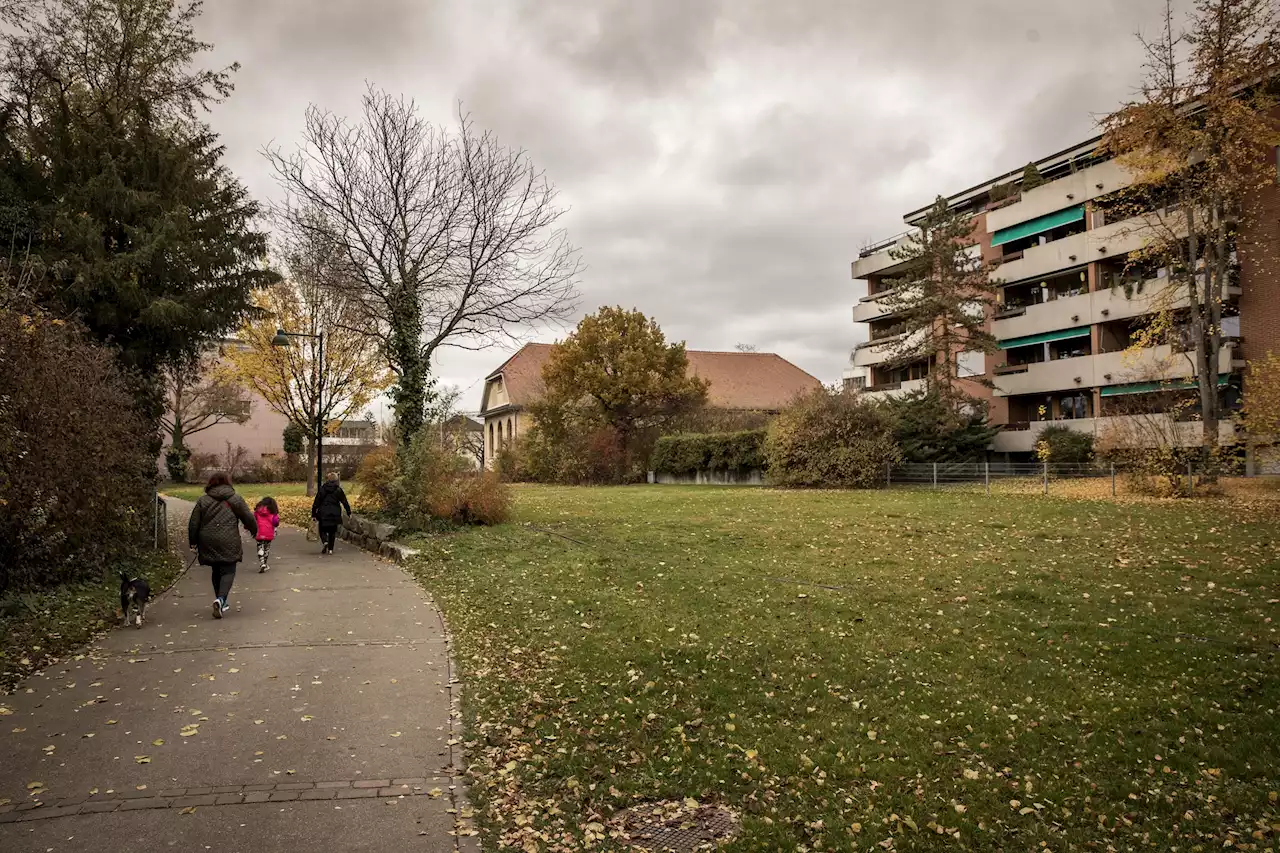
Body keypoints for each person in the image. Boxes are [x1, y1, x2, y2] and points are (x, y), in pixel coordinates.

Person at [188, 472, 257, 619]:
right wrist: (254, 531)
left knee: (216, 568)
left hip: (207, 540)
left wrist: (193, 542)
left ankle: (221, 602)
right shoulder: (235, 499)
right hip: (229, 539)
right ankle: (221, 599)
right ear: (227, 482)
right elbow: (248, 517)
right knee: (228, 570)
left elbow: (194, 523)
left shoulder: (203, 500)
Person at [311, 472, 351, 555]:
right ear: (336, 480)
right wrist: (348, 512)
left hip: (323, 512)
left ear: (327, 479)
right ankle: (330, 549)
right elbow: (344, 501)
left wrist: (314, 514)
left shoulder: (323, 489)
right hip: (335, 513)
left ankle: (325, 541)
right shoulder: (338, 490)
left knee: (322, 529)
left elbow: (316, 502)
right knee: (332, 531)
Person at [254, 496, 280, 573]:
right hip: (268, 533)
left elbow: (253, 519)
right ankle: (265, 563)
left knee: (260, 547)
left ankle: (262, 563)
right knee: (266, 549)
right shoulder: (273, 513)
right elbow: (276, 522)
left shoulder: (257, 512)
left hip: (259, 532)